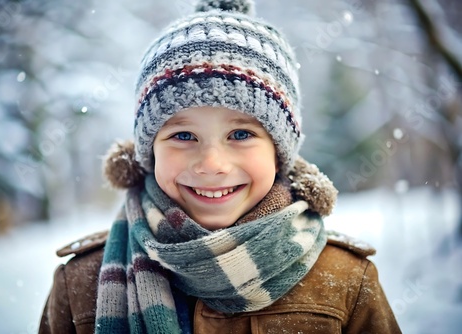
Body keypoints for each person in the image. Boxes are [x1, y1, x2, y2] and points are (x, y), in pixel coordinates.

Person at [39, 0, 402, 333]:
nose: (212, 164)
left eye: (241, 133)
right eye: (183, 136)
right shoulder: (80, 283)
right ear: (149, 151)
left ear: (279, 152)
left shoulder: (347, 281)